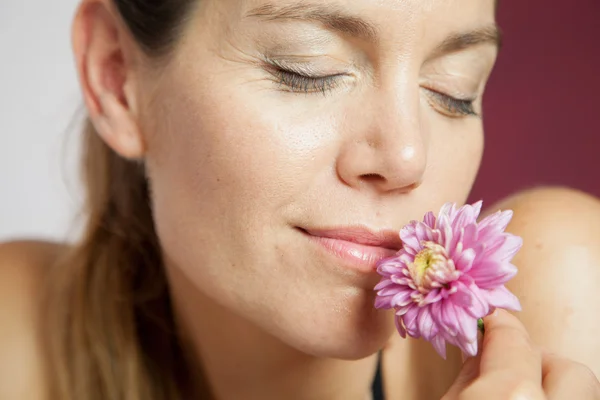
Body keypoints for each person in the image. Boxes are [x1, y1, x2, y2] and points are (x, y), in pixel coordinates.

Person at [1, 0, 599, 399]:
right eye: (307, 70)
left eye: (453, 92)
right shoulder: (22, 338)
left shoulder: (559, 288)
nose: (406, 158)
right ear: (115, 77)